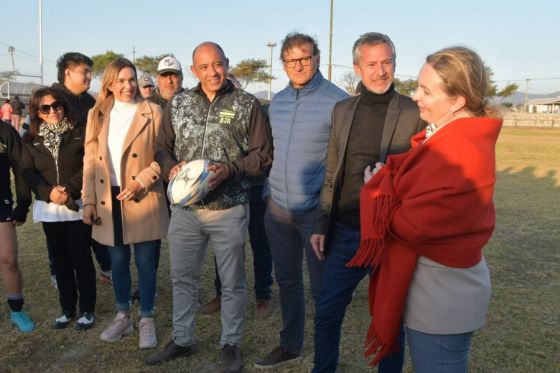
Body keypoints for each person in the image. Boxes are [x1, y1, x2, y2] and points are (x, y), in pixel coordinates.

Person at [347, 46, 501, 373]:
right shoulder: (450, 136)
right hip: (438, 291)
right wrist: (388, 183)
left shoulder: (460, 147)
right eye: (418, 86)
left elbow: (414, 225)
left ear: (457, 100)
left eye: (426, 91)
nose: (416, 96)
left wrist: (380, 194)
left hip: (442, 299)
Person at [148, 42, 272, 373]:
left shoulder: (247, 104)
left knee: (232, 282)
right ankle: (182, 338)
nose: (212, 72)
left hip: (228, 209)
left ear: (227, 64)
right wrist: (171, 166)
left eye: (217, 64)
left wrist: (231, 169)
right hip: (185, 211)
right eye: (204, 67)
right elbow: (161, 148)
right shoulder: (179, 103)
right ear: (194, 71)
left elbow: (262, 156)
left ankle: (230, 343)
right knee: (182, 278)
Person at [309, 32, 426, 373]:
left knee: (388, 320)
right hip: (345, 232)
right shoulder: (342, 110)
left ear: (395, 64)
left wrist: (390, 180)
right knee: (328, 311)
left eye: (386, 62)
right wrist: (321, 224)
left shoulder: (412, 111)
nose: (380, 71)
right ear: (357, 68)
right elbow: (333, 172)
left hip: (390, 236)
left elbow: (423, 174)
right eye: (371, 64)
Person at [254, 33, 348, 370]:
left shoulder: (339, 102)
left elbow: (342, 162)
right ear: (283, 64)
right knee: (288, 281)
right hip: (277, 211)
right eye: (291, 60)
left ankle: (325, 357)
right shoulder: (276, 102)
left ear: (318, 58)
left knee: (322, 287)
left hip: (316, 214)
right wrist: (267, 194)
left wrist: (327, 210)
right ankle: (290, 344)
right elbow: (270, 153)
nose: (298, 65)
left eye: (305, 58)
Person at [82, 58, 169, 349]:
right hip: (109, 200)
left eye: (131, 79)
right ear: (108, 83)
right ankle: (123, 315)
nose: (127, 86)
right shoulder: (97, 114)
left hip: (142, 197)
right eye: (120, 80)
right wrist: (88, 201)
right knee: (118, 261)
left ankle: (146, 318)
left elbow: (164, 154)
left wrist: (143, 180)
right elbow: (90, 161)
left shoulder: (153, 111)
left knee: (145, 263)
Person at [199, 72, 274, 320]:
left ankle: (263, 295)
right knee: (226, 248)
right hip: (228, 189)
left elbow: (263, 152)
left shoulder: (254, 108)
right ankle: (221, 293)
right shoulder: (216, 114)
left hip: (255, 187)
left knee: (260, 243)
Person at [21, 87, 96, 330]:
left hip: (76, 204)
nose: (53, 111)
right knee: (60, 261)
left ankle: (87, 308)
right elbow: (28, 173)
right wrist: (48, 193)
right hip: (50, 209)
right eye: (45, 108)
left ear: (63, 105)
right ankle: (67, 308)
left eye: (57, 105)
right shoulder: (31, 140)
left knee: (81, 258)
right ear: (37, 112)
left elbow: (89, 164)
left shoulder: (79, 132)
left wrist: (69, 190)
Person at [52, 52, 112, 285]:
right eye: (84, 72)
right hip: (60, 180)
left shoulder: (90, 102)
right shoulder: (52, 99)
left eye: (90, 71)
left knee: (95, 224)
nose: (89, 76)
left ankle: (107, 269)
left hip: (89, 175)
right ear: (67, 73)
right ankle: (57, 271)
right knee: (60, 235)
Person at [0, 120, 35, 332]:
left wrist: (23, 203)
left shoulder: (5, 131)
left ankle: (17, 310)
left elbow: (20, 168)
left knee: (9, 259)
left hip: (1, 202)